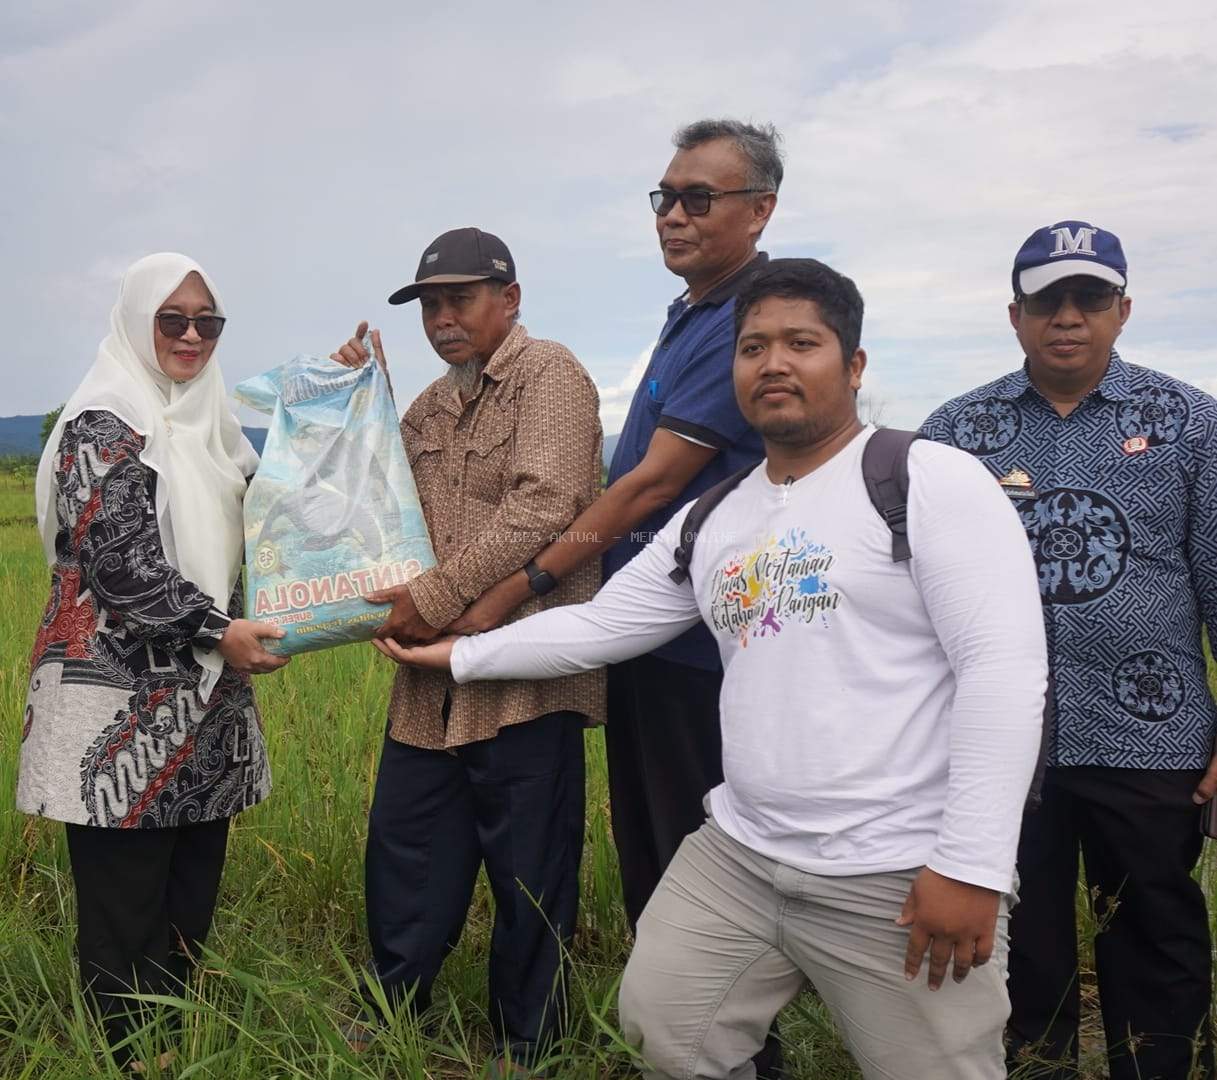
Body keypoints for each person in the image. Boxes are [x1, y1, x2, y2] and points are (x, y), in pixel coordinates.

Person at [379, 258, 1048, 1080]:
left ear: (854, 364)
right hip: (740, 855)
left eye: (801, 343)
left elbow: (1003, 672)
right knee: (664, 1028)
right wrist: (460, 655)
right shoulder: (717, 514)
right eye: (752, 346)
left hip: (894, 868)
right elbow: (599, 628)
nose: (773, 363)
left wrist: (970, 865)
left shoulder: (925, 481)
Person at [452, 117, 778, 923]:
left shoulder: (744, 316)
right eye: (664, 197)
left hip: (699, 639)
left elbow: (641, 488)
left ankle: (722, 1043)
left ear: (760, 209)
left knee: (693, 843)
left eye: (698, 198)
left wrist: (522, 583)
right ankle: (671, 1024)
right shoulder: (692, 313)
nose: (673, 214)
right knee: (646, 829)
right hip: (644, 626)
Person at [921, 221, 1217, 1080]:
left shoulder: (1190, 425)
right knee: (1017, 943)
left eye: (1088, 298)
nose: (1067, 316)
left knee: (1155, 931)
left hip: (1151, 732)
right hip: (997, 743)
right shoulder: (956, 432)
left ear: (1122, 310)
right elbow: (918, 597)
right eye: (1047, 299)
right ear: (1013, 315)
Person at [330, 227, 604, 1076]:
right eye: (429, 306)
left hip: (520, 672)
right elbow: (375, 497)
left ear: (508, 298)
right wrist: (354, 402)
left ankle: (529, 1047)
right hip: (427, 682)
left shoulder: (547, 374)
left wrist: (434, 602)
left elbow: (544, 503)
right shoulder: (427, 407)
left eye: (460, 300)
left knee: (529, 871)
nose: (443, 319)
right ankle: (391, 1010)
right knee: (407, 848)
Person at [22, 253, 288, 1071]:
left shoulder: (215, 429)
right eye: (172, 319)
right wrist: (222, 629)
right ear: (138, 321)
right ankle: (127, 1055)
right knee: (124, 900)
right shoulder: (104, 419)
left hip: (205, 698)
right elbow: (120, 562)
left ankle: (176, 1043)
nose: (191, 336)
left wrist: (339, 389)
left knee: (188, 892)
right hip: (117, 703)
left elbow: (290, 507)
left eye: (207, 321)